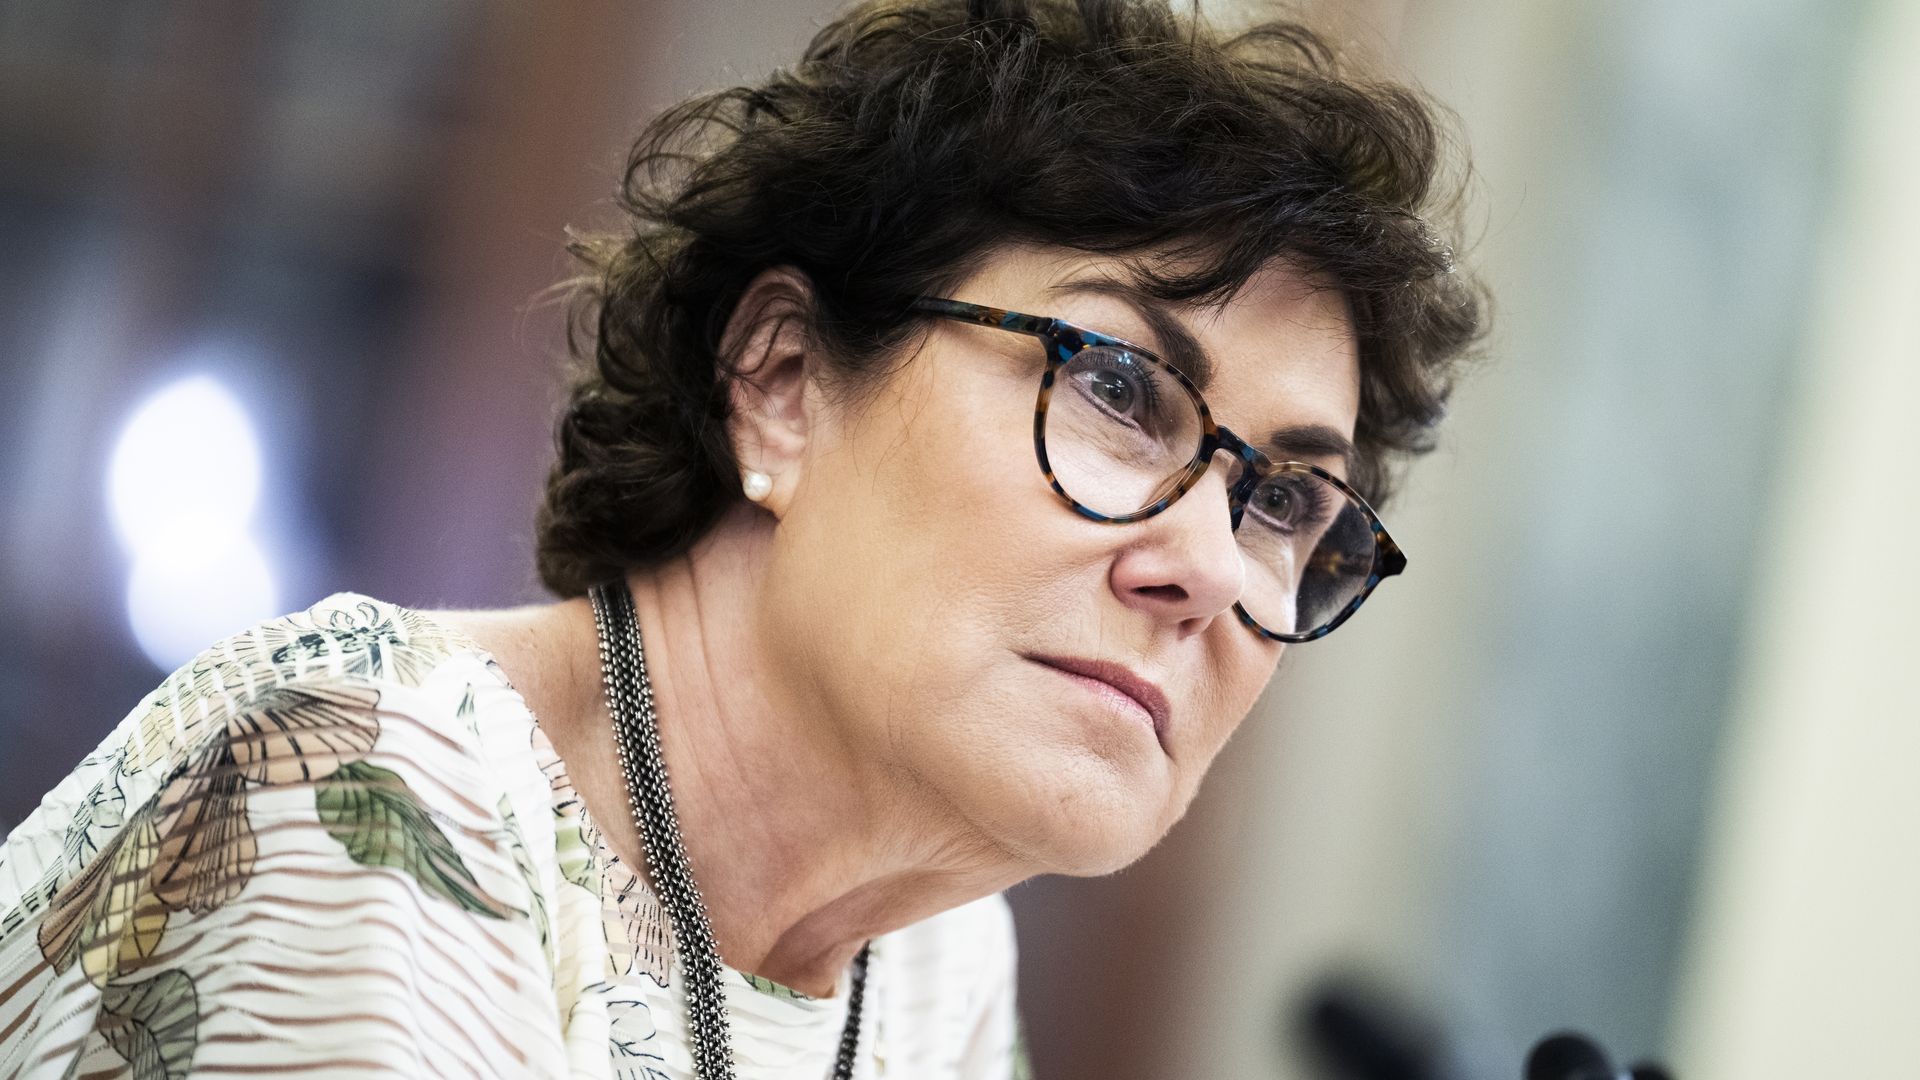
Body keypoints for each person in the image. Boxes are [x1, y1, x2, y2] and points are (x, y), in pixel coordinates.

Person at [0, 0, 1483, 1076]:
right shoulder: (364, 789)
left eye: (1287, 500)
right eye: (1117, 389)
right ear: (779, 382)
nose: (1212, 568)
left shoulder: (931, 971)